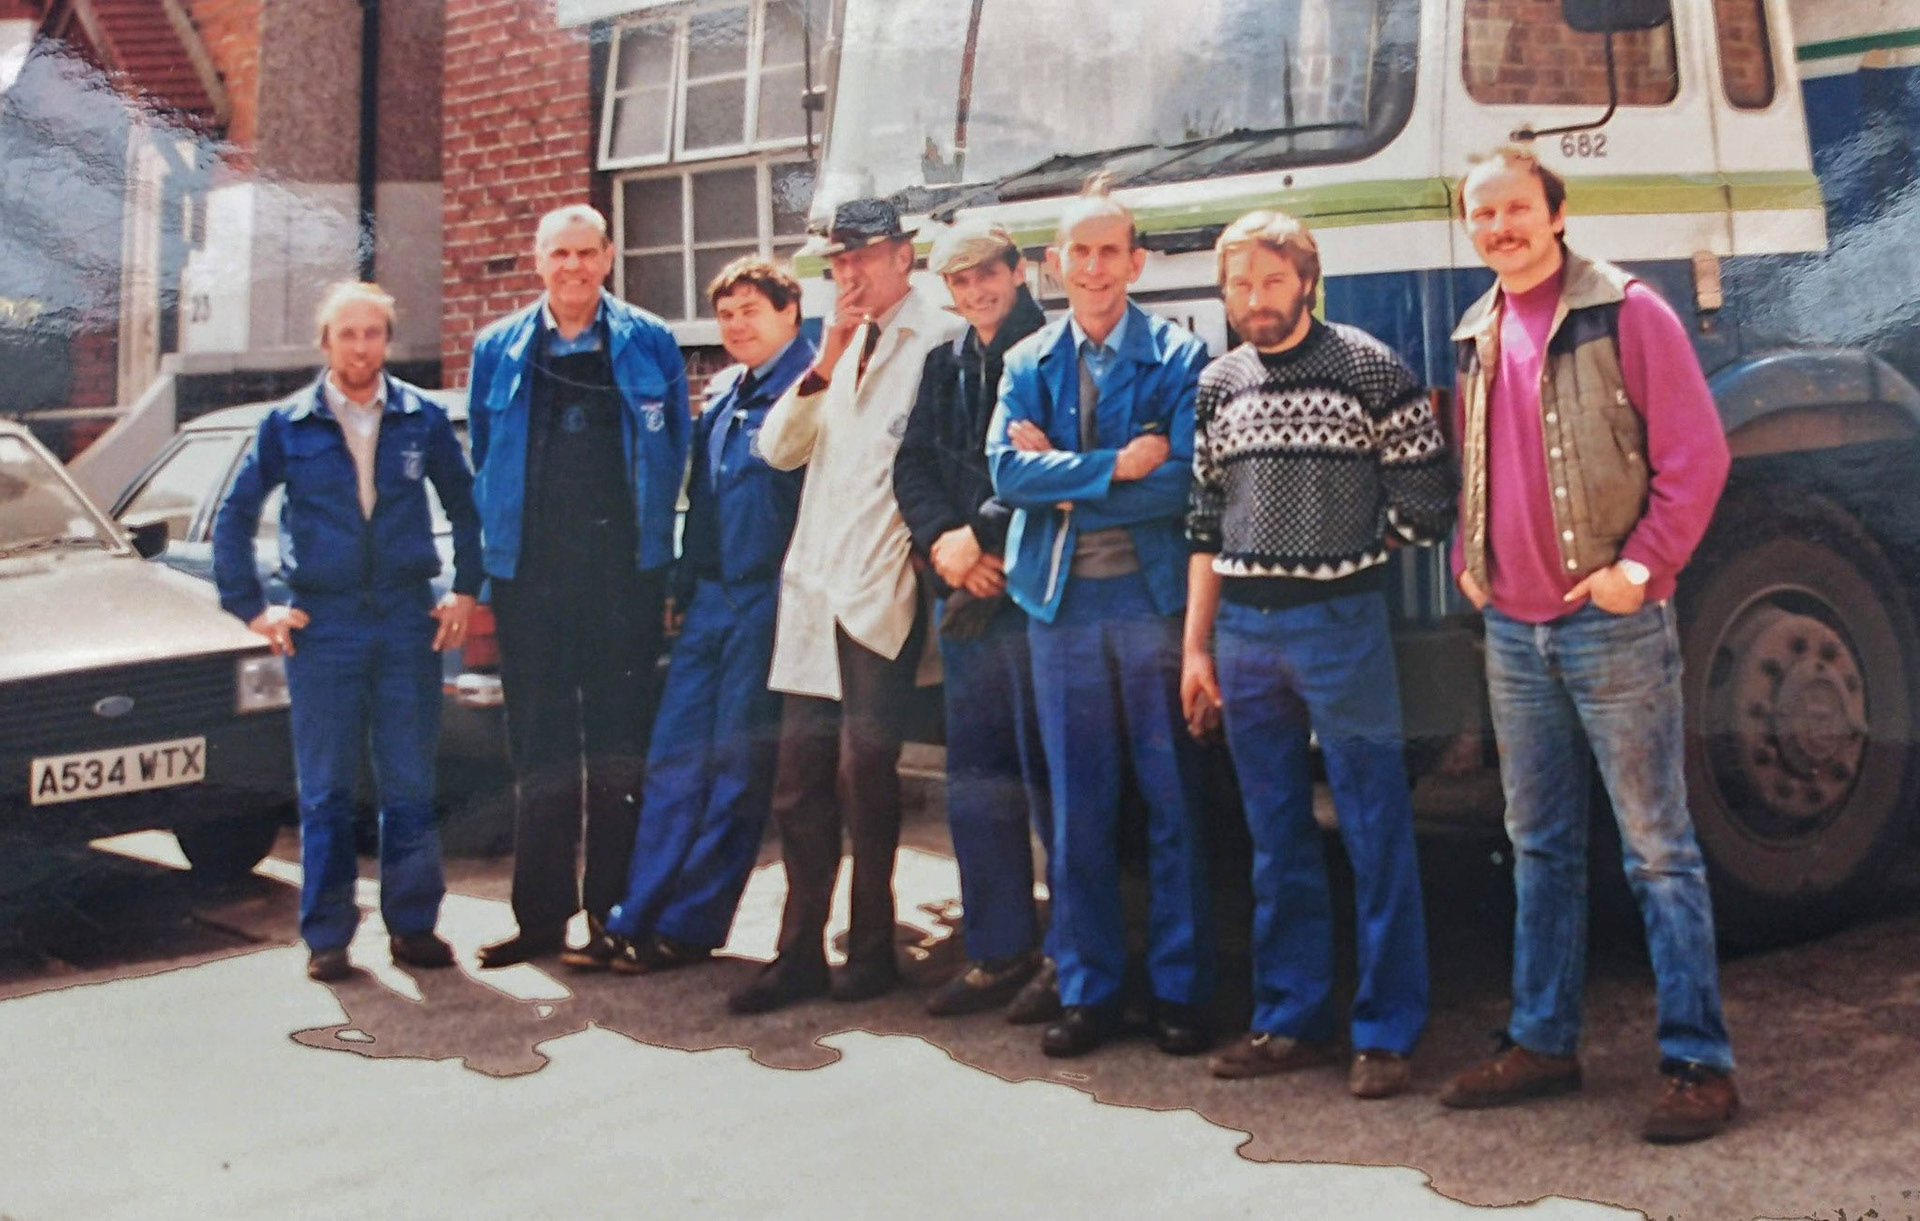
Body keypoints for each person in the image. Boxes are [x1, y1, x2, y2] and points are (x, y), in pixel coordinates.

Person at [1437, 146, 1737, 1143]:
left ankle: (1699, 1063)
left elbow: (1697, 455)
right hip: (1514, 634)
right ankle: (1542, 1043)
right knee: (1540, 846)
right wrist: (1466, 556)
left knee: (1658, 851)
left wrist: (1640, 571)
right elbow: (1475, 464)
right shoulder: (1477, 329)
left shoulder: (1627, 312)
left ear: (1556, 214)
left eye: (1516, 209)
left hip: (1610, 626)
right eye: (1482, 214)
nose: (1499, 228)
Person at [1180, 211, 1456, 1097]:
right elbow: (1203, 518)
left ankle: (1386, 1030)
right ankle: (1288, 1016)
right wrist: (1196, 648)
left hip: (1341, 626)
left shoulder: (1371, 367)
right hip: (1245, 634)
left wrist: (1351, 541)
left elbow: (1427, 493)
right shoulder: (1219, 383)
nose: (1254, 301)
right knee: (1274, 835)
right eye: (1238, 286)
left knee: (1376, 828)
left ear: (1307, 279)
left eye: (1269, 281)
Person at [987, 182, 1215, 1058]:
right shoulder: (1027, 363)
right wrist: (1115, 467)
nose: (1093, 268)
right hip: (1061, 606)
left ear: (1136, 261)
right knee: (1077, 805)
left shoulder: (1179, 356)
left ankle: (1182, 991)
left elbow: (1185, 481)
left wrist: (1071, 481)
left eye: (1109, 251)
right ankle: (1089, 991)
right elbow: (1007, 478)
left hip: (1152, 604)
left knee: (1171, 801)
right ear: (1054, 263)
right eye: (1077, 253)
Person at [726, 198, 964, 1015]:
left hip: (882, 586)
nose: (851, 274)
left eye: (864, 256)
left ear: (905, 255)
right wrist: (824, 357)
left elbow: (934, 470)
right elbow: (775, 448)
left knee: (865, 774)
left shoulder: (938, 338)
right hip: (818, 587)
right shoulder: (841, 343)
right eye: (838, 262)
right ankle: (797, 953)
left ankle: (870, 950)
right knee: (798, 782)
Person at [213, 281, 480, 982]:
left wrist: (465, 589)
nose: (361, 346)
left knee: (409, 783)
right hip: (322, 624)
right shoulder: (288, 424)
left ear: (387, 341)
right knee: (326, 789)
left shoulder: (419, 417)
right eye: (347, 334)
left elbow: (468, 504)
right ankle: (328, 935)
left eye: (373, 333)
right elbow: (235, 517)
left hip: (403, 618)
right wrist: (254, 606)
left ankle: (414, 925)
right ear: (326, 342)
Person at [465, 204, 690, 969]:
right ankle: (539, 920)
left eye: (586, 253)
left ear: (609, 256)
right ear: (538, 261)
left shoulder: (649, 342)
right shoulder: (497, 349)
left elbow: (672, 453)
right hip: (531, 579)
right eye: (559, 254)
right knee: (541, 752)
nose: (573, 267)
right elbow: (486, 458)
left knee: (621, 750)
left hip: (622, 577)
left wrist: (660, 563)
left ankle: (613, 915)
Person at [574, 257, 814, 974]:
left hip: (771, 596)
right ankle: (633, 915)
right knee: (675, 761)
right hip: (711, 597)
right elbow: (704, 506)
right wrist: (683, 582)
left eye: (753, 309)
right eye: (728, 312)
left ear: (790, 313)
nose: (738, 324)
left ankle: (690, 923)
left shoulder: (811, 391)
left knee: (738, 767)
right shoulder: (723, 394)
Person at [892, 220, 1058, 1022]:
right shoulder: (943, 363)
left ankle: (1072, 960)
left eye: (988, 275)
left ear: (1018, 271)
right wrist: (943, 546)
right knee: (979, 781)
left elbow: (1041, 463)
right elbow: (913, 465)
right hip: (964, 598)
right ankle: (998, 950)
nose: (976, 292)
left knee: (1055, 780)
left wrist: (977, 539)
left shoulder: (1052, 354)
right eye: (959, 282)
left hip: (1029, 594)